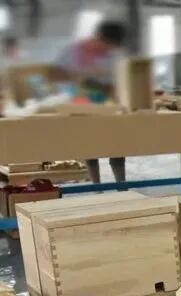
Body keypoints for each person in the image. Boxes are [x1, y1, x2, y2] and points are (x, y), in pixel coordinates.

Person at [54, 20, 128, 183]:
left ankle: (122, 186)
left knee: (117, 145)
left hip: (110, 103)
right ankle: (96, 187)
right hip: (82, 103)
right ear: (98, 37)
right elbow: (56, 74)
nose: (108, 49)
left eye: (111, 47)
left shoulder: (114, 54)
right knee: (90, 145)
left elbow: (120, 77)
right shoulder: (72, 51)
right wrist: (79, 77)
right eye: (106, 45)